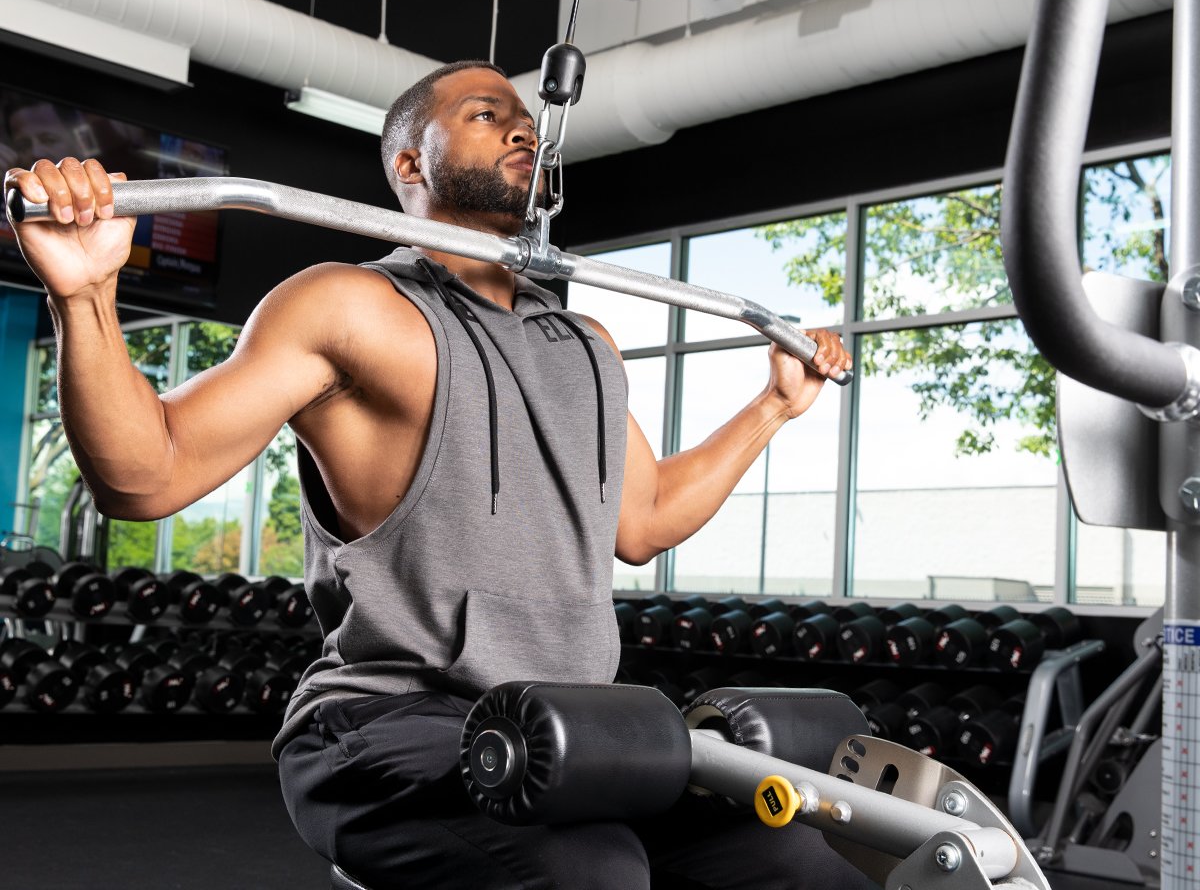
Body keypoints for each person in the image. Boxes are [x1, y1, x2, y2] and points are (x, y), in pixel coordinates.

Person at [5, 60, 868, 890]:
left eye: (526, 119)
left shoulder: (587, 345)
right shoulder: (349, 306)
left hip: (574, 729)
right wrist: (85, 296)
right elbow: (145, 477)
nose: (522, 127)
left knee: (799, 863)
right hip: (384, 722)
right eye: (487, 115)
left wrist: (773, 407)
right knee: (593, 870)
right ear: (411, 162)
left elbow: (643, 522)